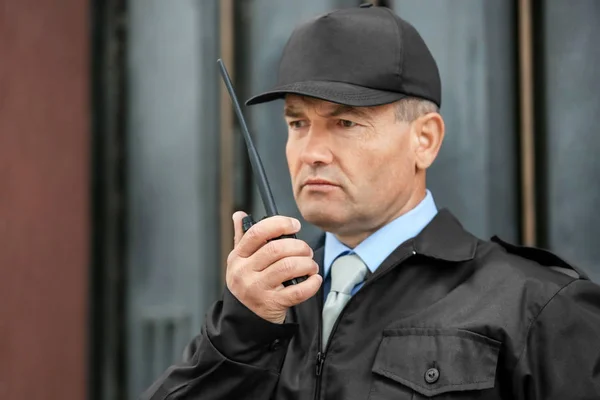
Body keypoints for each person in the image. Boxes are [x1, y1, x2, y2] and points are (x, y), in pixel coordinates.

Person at [140, 4, 600, 400]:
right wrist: (241, 332)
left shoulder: (537, 307)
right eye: (297, 123)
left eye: (345, 123)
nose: (312, 153)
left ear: (425, 140)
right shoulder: (266, 305)